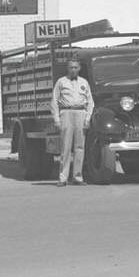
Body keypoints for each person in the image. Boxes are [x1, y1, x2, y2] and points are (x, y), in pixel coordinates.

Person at [50, 58, 93, 186]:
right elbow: (54, 101)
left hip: (81, 113)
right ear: (67, 68)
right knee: (66, 147)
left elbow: (90, 102)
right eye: (71, 67)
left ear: (79, 68)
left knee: (80, 147)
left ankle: (77, 177)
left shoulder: (84, 82)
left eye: (75, 67)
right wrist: (57, 119)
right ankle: (63, 178)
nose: (73, 70)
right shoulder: (61, 82)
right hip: (66, 113)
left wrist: (88, 118)